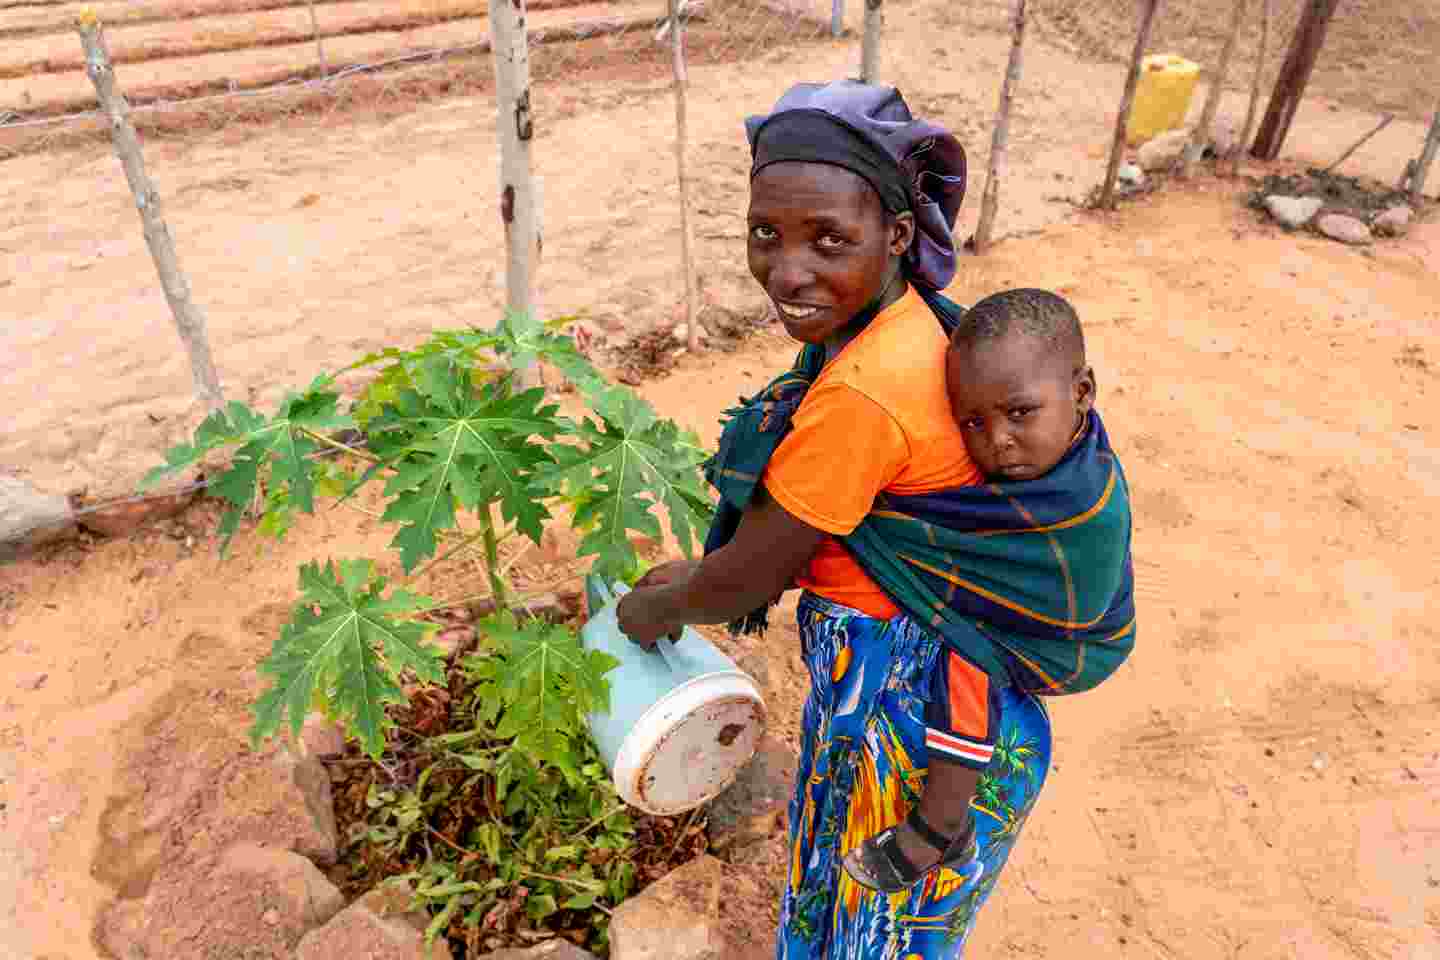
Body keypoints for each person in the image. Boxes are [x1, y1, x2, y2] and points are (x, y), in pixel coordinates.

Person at [616, 81, 1134, 959]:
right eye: (764, 234)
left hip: (917, 727)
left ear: (897, 236)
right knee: (855, 930)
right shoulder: (910, 327)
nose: (788, 269)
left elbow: (747, 576)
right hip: (929, 712)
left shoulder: (862, 394)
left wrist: (657, 608)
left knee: (866, 940)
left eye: (829, 238)